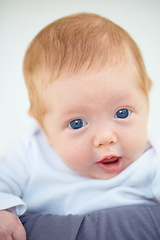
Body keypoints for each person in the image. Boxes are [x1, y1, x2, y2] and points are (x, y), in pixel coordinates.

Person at [0, 12, 159, 239]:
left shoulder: (151, 159)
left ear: (147, 99)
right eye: (77, 123)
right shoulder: (30, 151)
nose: (105, 137)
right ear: (43, 128)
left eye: (122, 113)